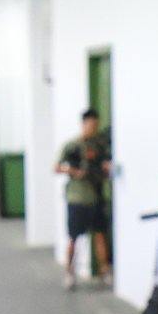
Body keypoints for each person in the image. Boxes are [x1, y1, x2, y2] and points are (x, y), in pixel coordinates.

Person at [53, 111, 114, 288]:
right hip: (77, 197)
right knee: (74, 237)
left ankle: (104, 270)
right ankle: (69, 272)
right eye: (90, 125)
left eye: (96, 125)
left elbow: (105, 166)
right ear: (84, 124)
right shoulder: (72, 146)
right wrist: (75, 172)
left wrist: (105, 169)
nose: (93, 129)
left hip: (96, 196)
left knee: (100, 234)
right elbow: (56, 167)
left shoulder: (99, 146)